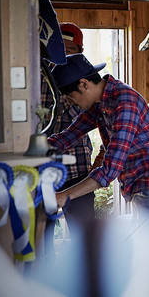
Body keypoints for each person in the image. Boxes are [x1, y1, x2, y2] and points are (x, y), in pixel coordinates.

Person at [48, 53, 149, 232]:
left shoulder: (124, 102)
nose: (73, 103)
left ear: (84, 84)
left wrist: (65, 195)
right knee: (146, 250)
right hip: (139, 184)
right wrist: (33, 150)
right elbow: (70, 134)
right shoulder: (98, 103)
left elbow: (109, 171)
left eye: (72, 97)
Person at [40, 21, 96, 264]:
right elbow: (43, 120)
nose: (67, 54)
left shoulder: (85, 78)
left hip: (80, 169)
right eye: (62, 48)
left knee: (86, 237)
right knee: (42, 236)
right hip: (47, 170)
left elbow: (90, 117)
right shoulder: (42, 77)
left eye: (73, 49)